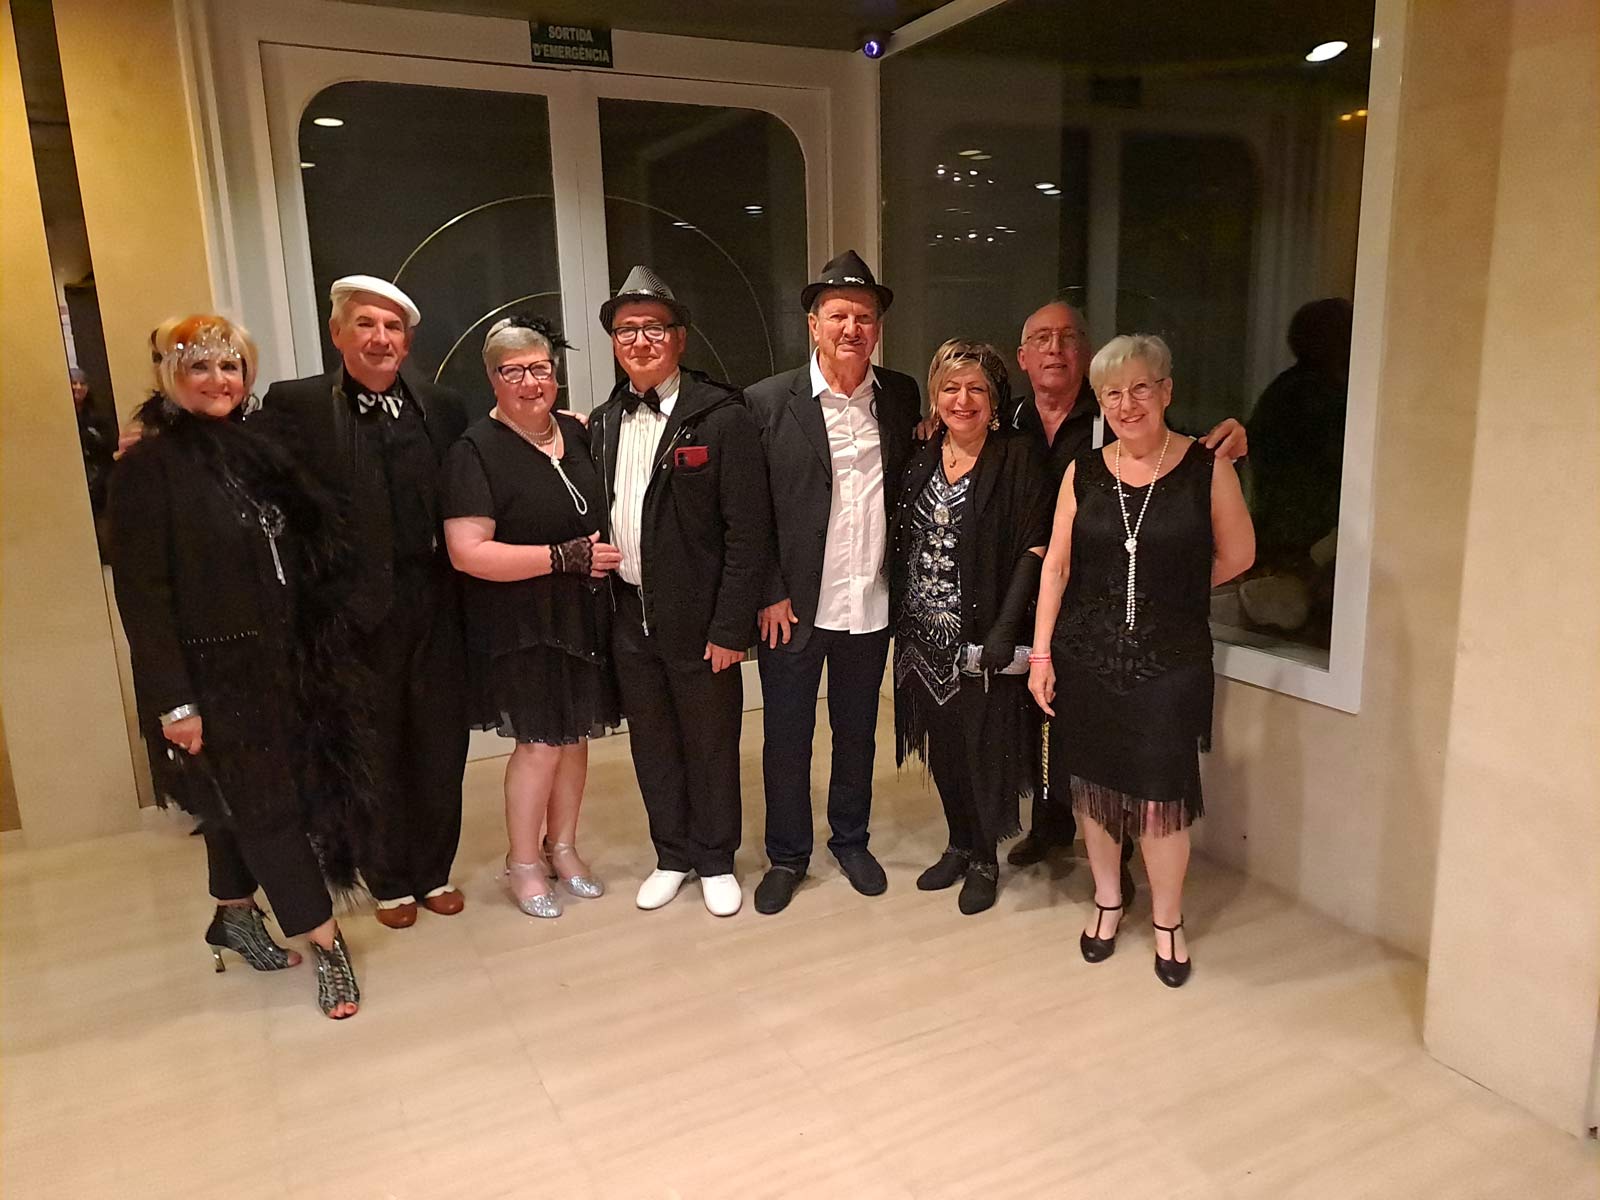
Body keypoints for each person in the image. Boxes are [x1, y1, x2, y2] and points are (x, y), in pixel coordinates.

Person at [110, 315, 370, 1018]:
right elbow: (143, 597)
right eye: (200, 367)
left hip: (285, 663)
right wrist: (175, 702)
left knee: (238, 797)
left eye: (230, 366)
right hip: (212, 675)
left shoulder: (262, 453)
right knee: (267, 808)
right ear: (172, 375)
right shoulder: (147, 470)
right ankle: (326, 942)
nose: (218, 380)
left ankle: (233, 912)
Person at [1029, 334, 1255, 987]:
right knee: (1094, 789)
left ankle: (1167, 922)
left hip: (1170, 661)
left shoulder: (1206, 468)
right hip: (1085, 655)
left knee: (1161, 797)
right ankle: (1107, 900)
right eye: (1112, 394)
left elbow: (1239, 555)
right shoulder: (1083, 472)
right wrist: (1041, 653)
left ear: (1166, 391)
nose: (1127, 405)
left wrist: (1170, 590)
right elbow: (1058, 567)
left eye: (1140, 389)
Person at [259, 276, 470, 930]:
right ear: (337, 334)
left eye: (393, 327)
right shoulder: (297, 404)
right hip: (347, 614)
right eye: (365, 325)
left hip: (435, 603)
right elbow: (248, 468)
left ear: (407, 341)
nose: (380, 338)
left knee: (439, 743)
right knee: (371, 748)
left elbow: (478, 470)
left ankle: (433, 870)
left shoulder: (442, 407)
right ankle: (388, 879)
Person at [585, 267, 772, 917]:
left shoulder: (721, 416)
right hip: (628, 613)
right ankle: (672, 854)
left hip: (701, 618)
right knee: (653, 743)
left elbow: (748, 532)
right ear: (614, 342)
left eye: (653, 328)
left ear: (680, 337)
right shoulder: (602, 422)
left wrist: (731, 627)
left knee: (711, 742)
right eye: (626, 330)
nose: (640, 341)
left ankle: (716, 858)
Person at [744, 251, 923, 915]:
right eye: (839, 316)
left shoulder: (900, 396)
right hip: (793, 605)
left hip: (869, 599)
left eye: (864, 317)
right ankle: (787, 855)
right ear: (813, 325)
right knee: (787, 737)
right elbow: (751, 510)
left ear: (878, 329)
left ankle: (850, 840)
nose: (853, 328)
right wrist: (768, 588)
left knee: (857, 730)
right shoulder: (768, 401)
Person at [442, 317, 621, 918]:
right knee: (540, 744)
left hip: (583, 612)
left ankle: (561, 847)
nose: (529, 382)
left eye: (539, 369)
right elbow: (468, 552)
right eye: (512, 371)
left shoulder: (576, 432)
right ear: (492, 379)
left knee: (574, 740)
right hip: (521, 619)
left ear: (555, 373)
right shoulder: (474, 452)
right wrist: (561, 557)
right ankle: (522, 862)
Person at [891, 340, 1051, 915]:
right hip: (920, 637)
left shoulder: (1017, 456)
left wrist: (1006, 627)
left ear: (995, 399)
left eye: (976, 389)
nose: (963, 400)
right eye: (951, 388)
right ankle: (958, 843)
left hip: (982, 638)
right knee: (945, 749)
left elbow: (1035, 545)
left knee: (984, 750)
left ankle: (985, 857)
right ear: (936, 397)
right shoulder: (922, 455)